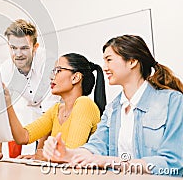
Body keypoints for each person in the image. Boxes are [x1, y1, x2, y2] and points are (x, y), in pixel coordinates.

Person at [43, 35, 183, 176]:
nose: (105, 68)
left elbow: (173, 163)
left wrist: (109, 161)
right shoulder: (113, 108)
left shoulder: (173, 101)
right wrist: (67, 154)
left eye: (109, 60)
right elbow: (96, 146)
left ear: (132, 61)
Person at [4, 53, 106, 160]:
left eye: (58, 71)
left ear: (75, 78)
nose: (51, 77)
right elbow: (23, 137)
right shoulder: (56, 110)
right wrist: (8, 103)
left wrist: (41, 156)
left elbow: (69, 155)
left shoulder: (84, 104)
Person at [0, 19, 60, 159]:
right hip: (36, 114)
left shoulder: (48, 64)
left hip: (59, 114)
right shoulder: (6, 69)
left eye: (24, 48)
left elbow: (50, 112)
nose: (18, 54)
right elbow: (1, 108)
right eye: (14, 48)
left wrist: (39, 153)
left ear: (35, 47)